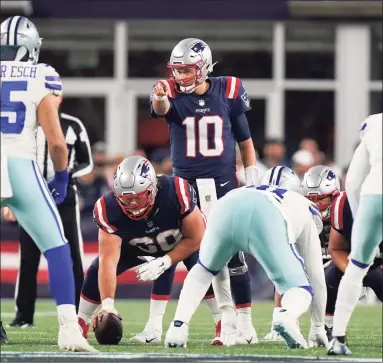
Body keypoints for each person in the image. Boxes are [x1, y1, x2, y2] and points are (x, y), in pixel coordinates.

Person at [139, 37, 259, 345]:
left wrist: (252, 177)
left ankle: (244, 325)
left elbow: (244, 139)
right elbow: (160, 106)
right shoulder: (170, 91)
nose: (181, 76)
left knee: (233, 256)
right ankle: (155, 325)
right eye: (177, 70)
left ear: (203, 67)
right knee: (172, 251)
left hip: (223, 184)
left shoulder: (227, 90)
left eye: (188, 70)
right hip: (184, 187)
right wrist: (161, 96)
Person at [0, 16, 95, 352]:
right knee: (57, 248)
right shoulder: (41, 74)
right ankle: (69, 329)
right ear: (31, 47)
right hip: (20, 164)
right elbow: (56, 142)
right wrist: (60, 177)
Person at [164, 181, 326, 349]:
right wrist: (318, 326)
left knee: (203, 270)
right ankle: (286, 316)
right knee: (301, 287)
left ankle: (178, 327)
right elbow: (317, 278)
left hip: (224, 206)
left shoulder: (270, 192)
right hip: (264, 212)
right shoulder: (308, 210)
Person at [77, 156, 209, 339]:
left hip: (180, 241)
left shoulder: (175, 191)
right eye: (126, 199)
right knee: (96, 268)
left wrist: (165, 261)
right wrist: (107, 304)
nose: (133, 205)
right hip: (137, 245)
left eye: (138, 197)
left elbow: (198, 237)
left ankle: (223, 323)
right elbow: (108, 260)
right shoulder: (107, 208)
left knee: (203, 265)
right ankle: (80, 323)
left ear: (152, 188)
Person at [5, 105, 93, 328]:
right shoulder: (26, 126)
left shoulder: (72, 124)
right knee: (28, 258)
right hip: (31, 192)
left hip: (63, 196)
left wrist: (67, 174)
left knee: (73, 253)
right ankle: (23, 315)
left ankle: (77, 313)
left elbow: (87, 162)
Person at [328, 113, 382, 355]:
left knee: (356, 266)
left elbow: (352, 182)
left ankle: (337, 338)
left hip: (372, 195)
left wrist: (361, 216)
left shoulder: (371, 129)